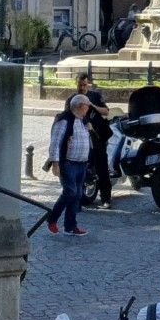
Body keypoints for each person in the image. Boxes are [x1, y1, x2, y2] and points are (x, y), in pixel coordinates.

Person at [45, 93, 93, 235]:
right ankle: (52, 218)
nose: (88, 109)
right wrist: (55, 164)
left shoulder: (82, 120)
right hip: (68, 163)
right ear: (79, 106)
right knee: (70, 192)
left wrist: (89, 130)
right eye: (87, 106)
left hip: (81, 164)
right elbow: (55, 143)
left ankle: (70, 226)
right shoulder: (64, 120)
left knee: (77, 195)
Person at [75, 72, 112, 207]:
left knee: (102, 167)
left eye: (85, 85)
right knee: (80, 168)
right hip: (80, 140)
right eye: (80, 85)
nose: (83, 88)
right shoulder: (72, 99)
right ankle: (80, 197)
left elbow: (106, 111)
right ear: (76, 84)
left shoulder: (95, 96)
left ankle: (106, 198)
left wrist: (94, 106)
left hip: (97, 138)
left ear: (88, 85)